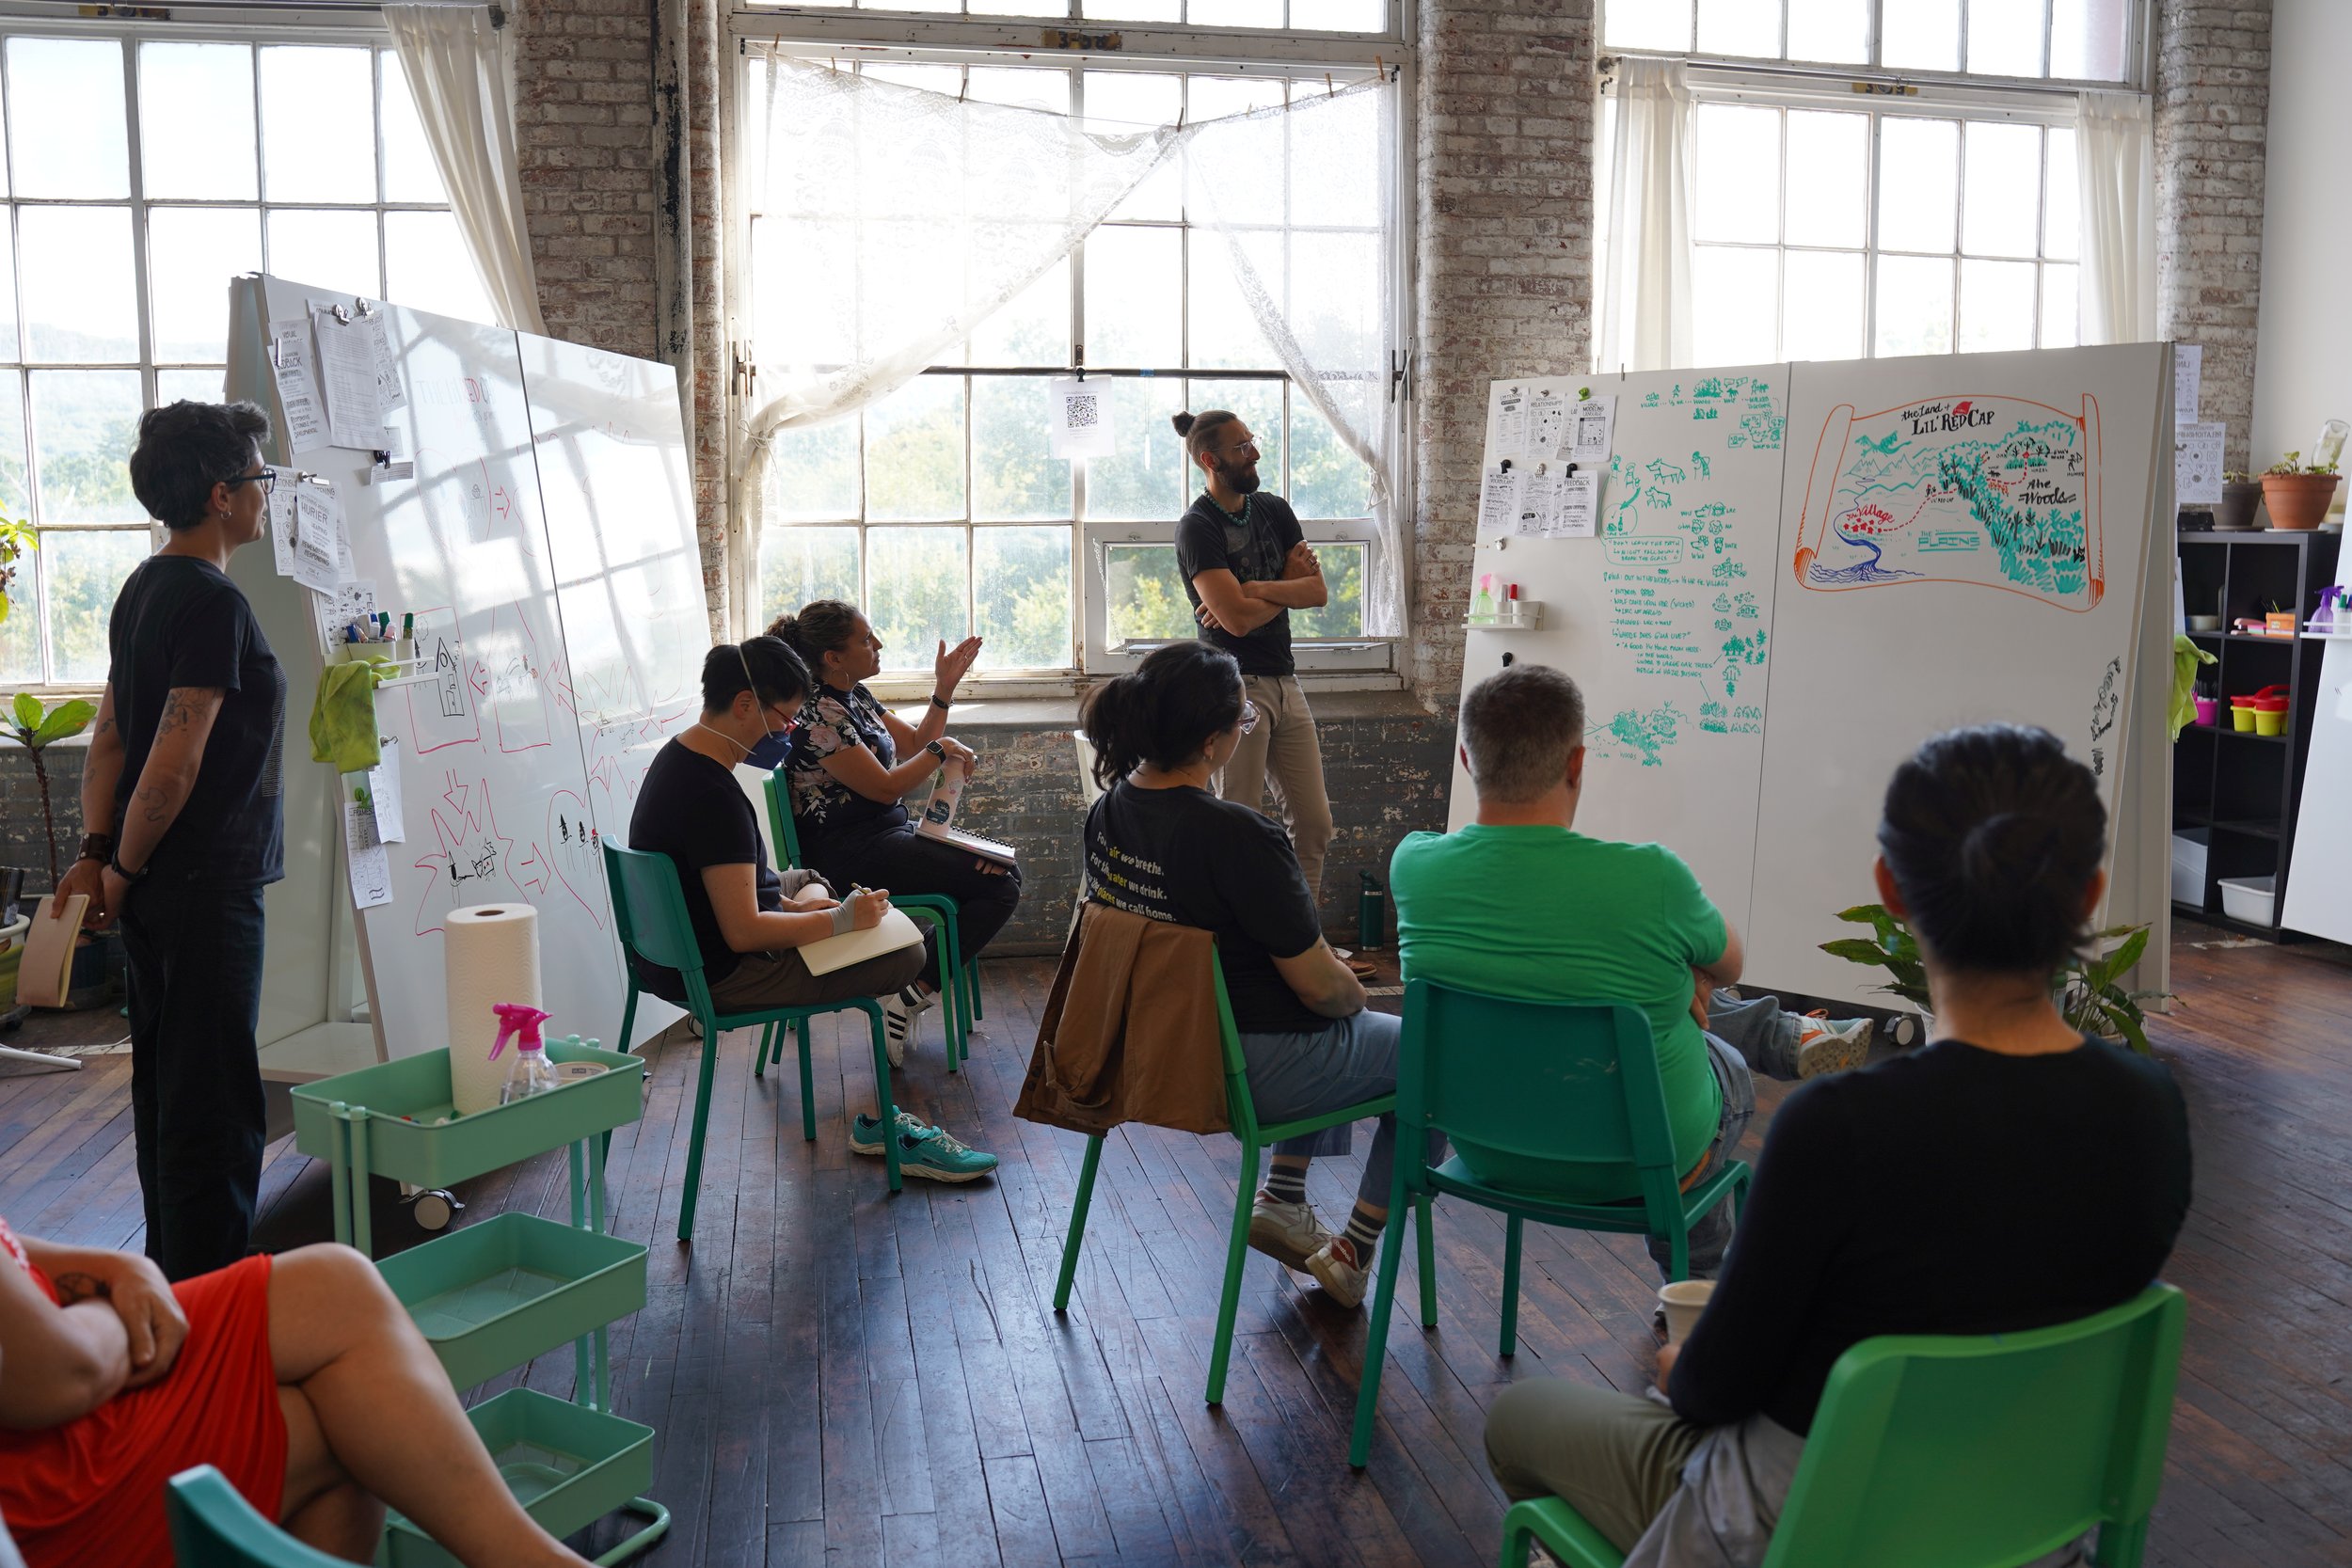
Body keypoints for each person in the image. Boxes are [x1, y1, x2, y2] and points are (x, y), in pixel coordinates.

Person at [1479, 724, 2192, 1568]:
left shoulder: (1840, 1129)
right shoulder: (2152, 1111)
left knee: (1516, 1419)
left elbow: (1714, 1389)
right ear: (2091, 895)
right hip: (2029, 1528)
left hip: (1810, 1522)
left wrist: (1678, 1366)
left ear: (1891, 888)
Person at [1390, 664, 1870, 1282]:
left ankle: (1776, 1036)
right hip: (1639, 1158)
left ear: (1464, 757)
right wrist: (1689, 978)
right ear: (1577, 761)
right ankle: (1691, 1280)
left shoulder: (1413, 866)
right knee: (1694, 1031)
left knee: (1630, 988)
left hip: (1486, 1145)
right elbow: (1730, 964)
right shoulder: (1653, 879)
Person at [1080, 641, 1433, 1307]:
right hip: (1238, 1070)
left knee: (1316, 1015)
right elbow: (1321, 988)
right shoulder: (1241, 835)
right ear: (1215, 741)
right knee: (1428, 1053)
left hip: (1149, 1053)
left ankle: (1285, 1195)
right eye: (1243, 724)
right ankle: (1354, 1248)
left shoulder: (1105, 814)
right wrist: (1352, 989)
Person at [0, 1221, 603, 1567]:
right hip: (36, 1493)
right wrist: (117, 1305)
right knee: (341, 1363)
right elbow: (63, 1377)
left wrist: (117, 1265)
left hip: (47, 1402)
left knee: (344, 1376)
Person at [52, 402, 288, 1281]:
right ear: (223, 496)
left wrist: (101, 852)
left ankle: (168, 1283)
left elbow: (110, 736)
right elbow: (172, 760)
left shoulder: (144, 587)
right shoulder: (213, 602)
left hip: (158, 889)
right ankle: (207, 1312)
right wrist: (119, 863)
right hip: (202, 889)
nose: (266, 495)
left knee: (167, 1093)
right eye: (259, 480)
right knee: (216, 1109)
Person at [626, 636, 995, 1181]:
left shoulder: (678, 759)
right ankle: (881, 1126)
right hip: (723, 976)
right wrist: (842, 921)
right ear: (746, 703)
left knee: (812, 882)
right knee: (904, 956)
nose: (787, 734)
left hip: (673, 962)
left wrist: (808, 908)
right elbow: (745, 930)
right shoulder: (714, 796)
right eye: (786, 720)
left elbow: (740, 894)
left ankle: (824, 906)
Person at [767, 601, 1023, 1064]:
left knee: (1000, 875)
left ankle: (911, 991)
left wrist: (943, 690)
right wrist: (942, 750)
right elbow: (886, 789)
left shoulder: (854, 695)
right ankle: (909, 996)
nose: (878, 644)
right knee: (1000, 887)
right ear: (833, 657)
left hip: (889, 837)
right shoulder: (817, 715)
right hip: (851, 855)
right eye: (866, 639)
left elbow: (912, 743)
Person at [1172, 409, 1338, 903]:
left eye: (1251, 441)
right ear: (1210, 459)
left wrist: (1257, 587)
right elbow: (1238, 623)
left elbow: (1318, 592)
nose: (1255, 452)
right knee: (1236, 822)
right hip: (1234, 690)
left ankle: (1300, 938)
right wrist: (1285, 585)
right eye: (1241, 447)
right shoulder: (1198, 527)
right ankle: (1235, 945)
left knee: (1315, 824)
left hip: (1287, 685)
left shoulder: (1274, 510)